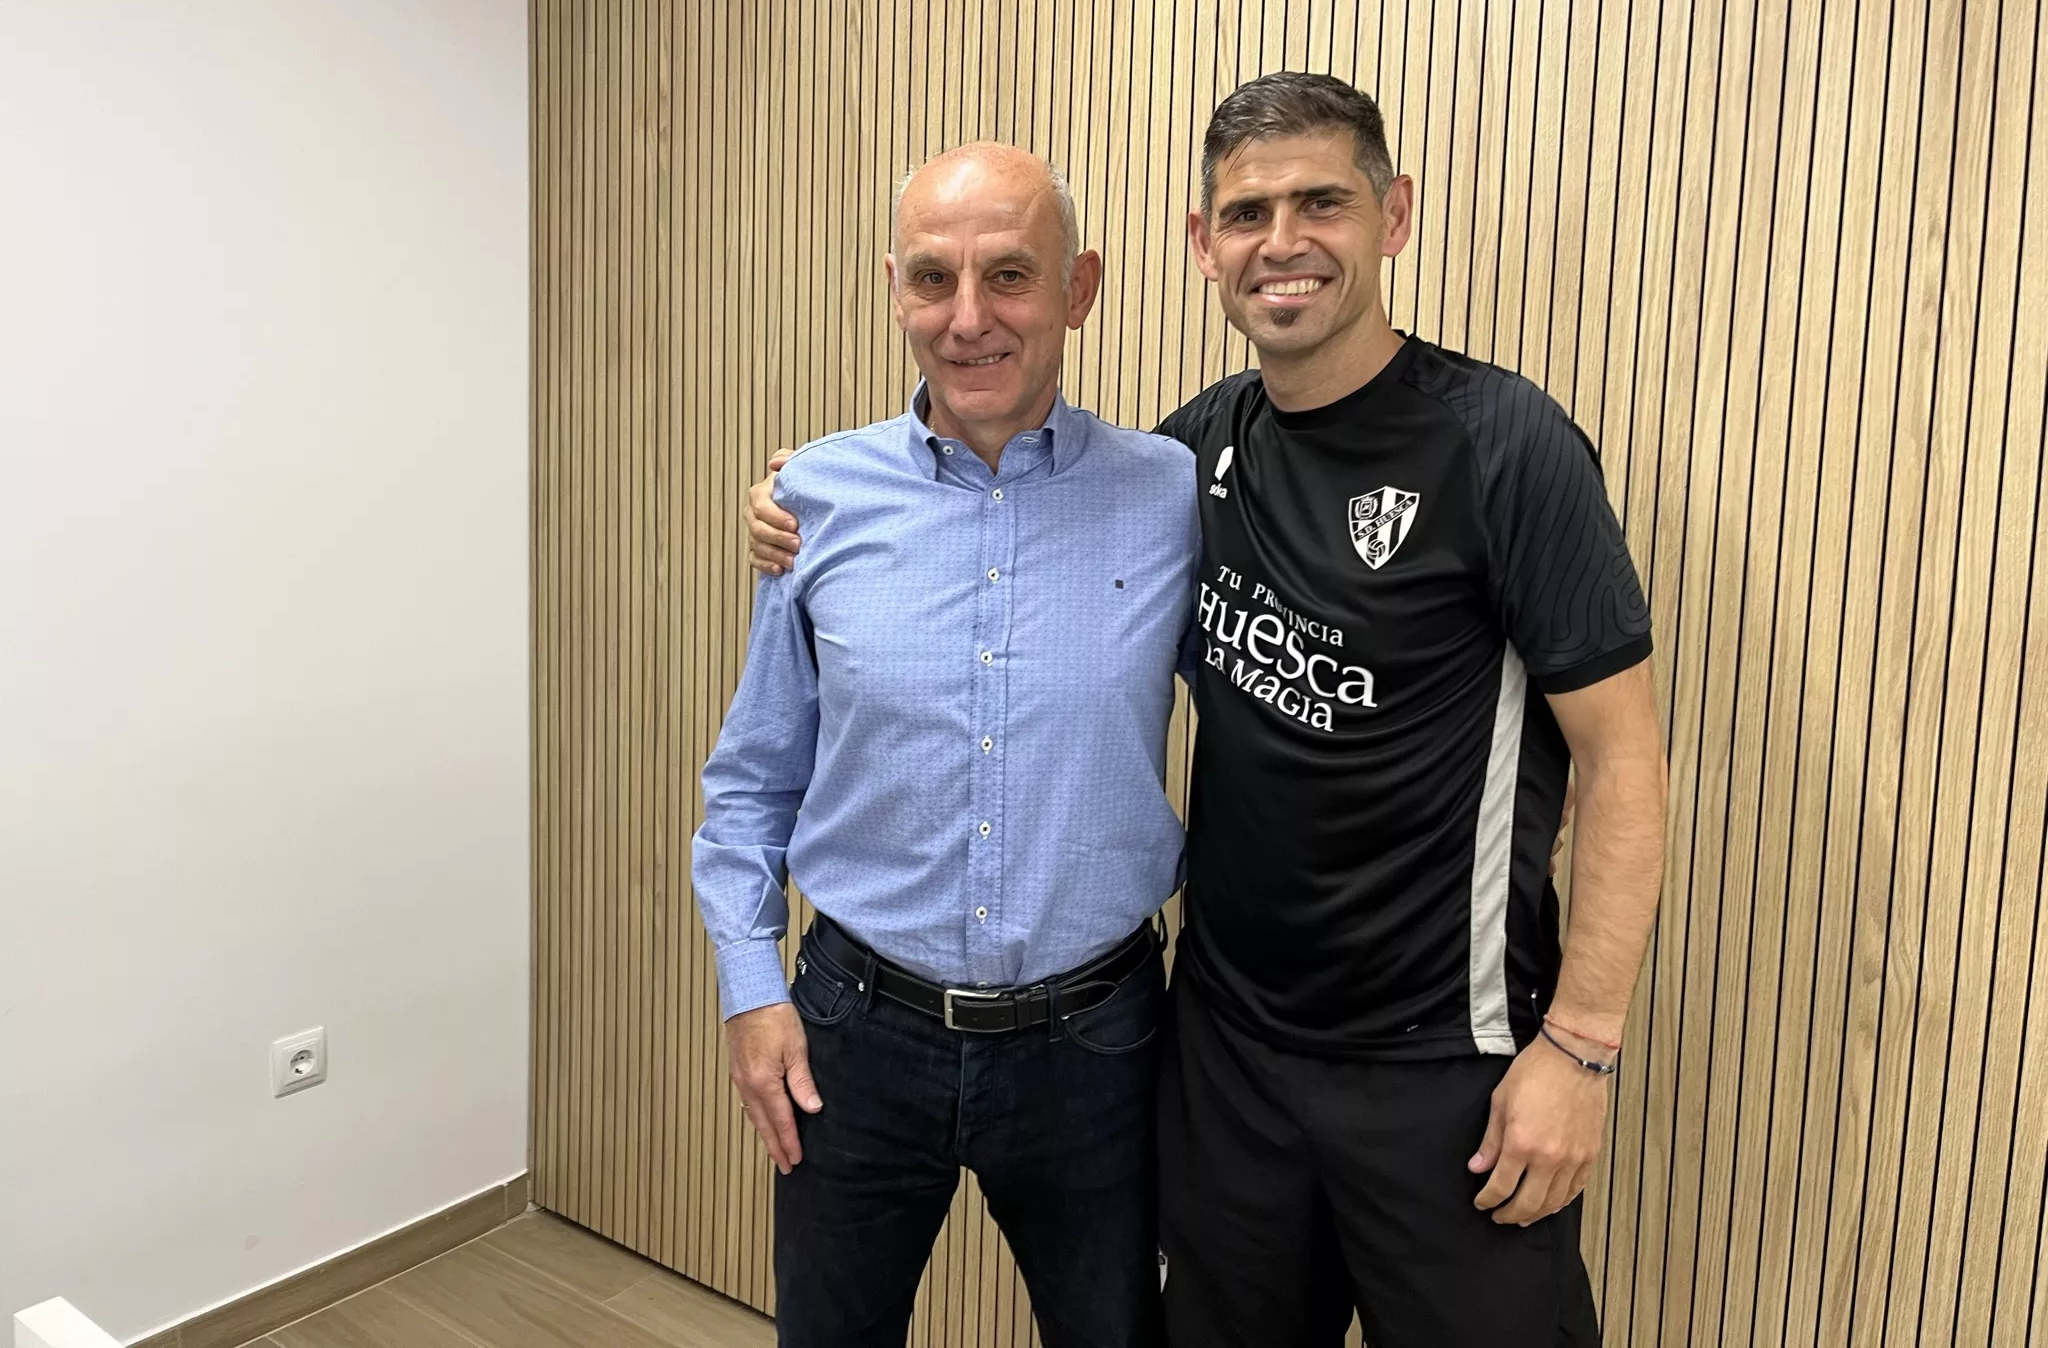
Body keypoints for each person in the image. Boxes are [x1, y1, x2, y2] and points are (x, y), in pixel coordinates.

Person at [747, 73, 1669, 1347]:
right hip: (1224, 1050)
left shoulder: (1501, 446)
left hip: (1442, 1059)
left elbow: (1623, 763)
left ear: (1391, 215)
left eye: (1320, 202)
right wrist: (806, 495)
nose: (1280, 242)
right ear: (1202, 246)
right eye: (1245, 213)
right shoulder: (1186, 462)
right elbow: (1002, 520)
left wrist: (1579, 1049)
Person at [692, 141, 1197, 1348]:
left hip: (1099, 1041)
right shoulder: (814, 497)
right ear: (894, 287)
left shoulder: (1174, 493)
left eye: (1009, 278)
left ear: (1077, 287)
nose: (967, 320)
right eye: (932, 280)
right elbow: (753, 780)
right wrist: (750, 990)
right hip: (855, 1032)